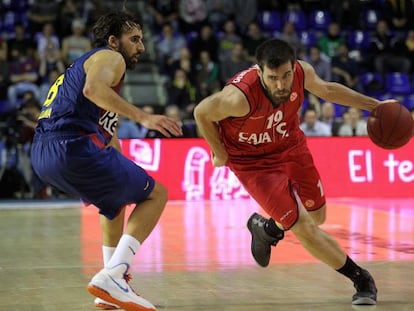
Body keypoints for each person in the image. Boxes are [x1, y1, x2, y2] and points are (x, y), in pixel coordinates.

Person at [193, 38, 392, 305]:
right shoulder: (238, 97)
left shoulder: (302, 72)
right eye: (273, 77)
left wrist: (376, 106)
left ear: (293, 66)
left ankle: (267, 228)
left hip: (289, 145)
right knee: (303, 227)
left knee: (317, 216)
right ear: (260, 71)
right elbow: (201, 113)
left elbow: (329, 90)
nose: (281, 85)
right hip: (253, 163)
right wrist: (220, 152)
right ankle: (360, 277)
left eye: (286, 76)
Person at [31, 11, 182, 311]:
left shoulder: (88, 67)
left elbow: (107, 133)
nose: (141, 47)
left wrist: (124, 175)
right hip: (70, 146)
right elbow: (93, 90)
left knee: (115, 201)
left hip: (44, 153)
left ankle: (109, 289)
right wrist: (145, 117)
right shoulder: (111, 58)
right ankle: (114, 275)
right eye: (134, 39)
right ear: (114, 41)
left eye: (141, 39)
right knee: (157, 194)